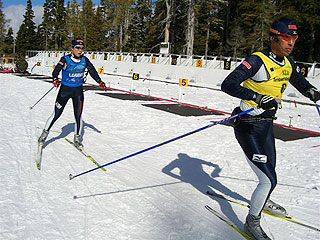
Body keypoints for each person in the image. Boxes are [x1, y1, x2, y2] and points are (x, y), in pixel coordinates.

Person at [221, 17, 320, 240]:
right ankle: (252, 222)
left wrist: (311, 91)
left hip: (266, 125)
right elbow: (228, 84)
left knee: (270, 172)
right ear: (273, 38)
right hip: (248, 125)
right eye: (286, 38)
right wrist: (256, 96)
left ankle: (263, 200)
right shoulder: (257, 60)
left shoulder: (288, 63)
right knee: (268, 179)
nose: (290, 43)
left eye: (294, 38)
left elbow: (298, 80)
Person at [38, 39, 107, 149]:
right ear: (72, 48)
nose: (80, 50)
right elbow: (56, 70)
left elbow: (93, 71)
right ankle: (44, 135)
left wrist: (100, 82)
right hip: (65, 91)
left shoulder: (85, 60)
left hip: (78, 91)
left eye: (82, 48)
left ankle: (77, 139)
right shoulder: (65, 59)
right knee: (56, 114)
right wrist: (55, 79)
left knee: (78, 116)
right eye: (77, 48)